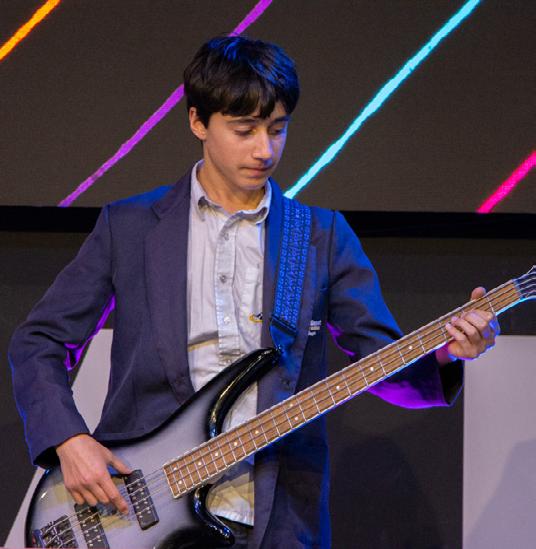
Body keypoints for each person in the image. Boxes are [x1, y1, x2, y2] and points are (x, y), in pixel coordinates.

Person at [9, 36, 498, 548]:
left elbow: (381, 365)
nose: (265, 150)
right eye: (244, 130)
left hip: (277, 519)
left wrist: (446, 354)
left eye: (277, 129)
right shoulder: (129, 227)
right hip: (139, 513)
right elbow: (39, 341)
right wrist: (69, 439)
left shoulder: (321, 236)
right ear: (198, 121)